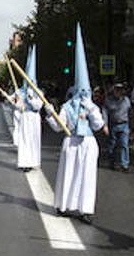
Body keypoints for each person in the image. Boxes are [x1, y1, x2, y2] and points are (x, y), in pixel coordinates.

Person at [45, 25, 106, 222]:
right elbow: (57, 127)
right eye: (82, 92)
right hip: (71, 142)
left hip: (88, 142)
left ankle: (85, 209)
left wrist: (91, 109)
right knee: (68, 173)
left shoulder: (92, 106)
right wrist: (51, 114)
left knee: (87, 176)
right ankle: (64, 205)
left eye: (86, 92)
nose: (84, 95)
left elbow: (98, 126)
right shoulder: (68, 107)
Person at [12, 46, 43, 171]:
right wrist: (18, 102)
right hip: (25, 117)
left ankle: (33, 161)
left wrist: (31, 98)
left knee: (33, 140)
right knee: (24, 139)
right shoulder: (21, 92)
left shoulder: (39, 92)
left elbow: (39, 106)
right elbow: (18, 105)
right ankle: (25, 163)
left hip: (34, 118)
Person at [103, 82, 132, 172]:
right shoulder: (108, 101)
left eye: (120, 90)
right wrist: (105, 125)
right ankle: (112, 162)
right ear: (114, 90)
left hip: (124, 125)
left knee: (124, 144)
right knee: (112, 145)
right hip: (113, 125)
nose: (119, 91)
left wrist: (132, 125)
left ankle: (125, 165)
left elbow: (130, 112)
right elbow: (105, 113)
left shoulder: (126, 100)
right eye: (117, 89)